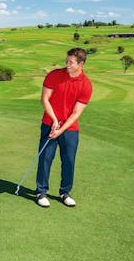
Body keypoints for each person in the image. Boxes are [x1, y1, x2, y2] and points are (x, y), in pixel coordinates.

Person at [35, 47, 93, 208]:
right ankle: (41, 192)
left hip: (70, 129)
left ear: (81, 63)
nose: (66, 64)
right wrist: (54, 120)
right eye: (66, 61)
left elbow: (76, 113)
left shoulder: (86, 85)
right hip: (49, 123)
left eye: (71, 62)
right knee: (45, 158)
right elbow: (44, 99)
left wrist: (60, 129)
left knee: (68, 161)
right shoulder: (54, 75)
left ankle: (65, 192)